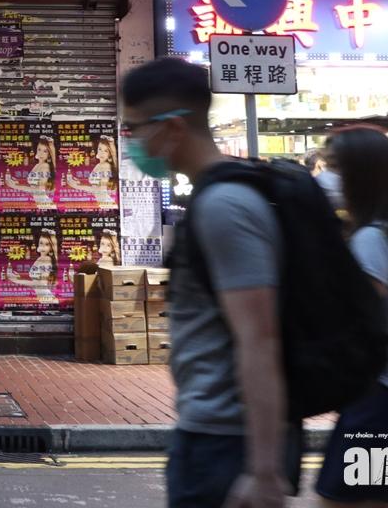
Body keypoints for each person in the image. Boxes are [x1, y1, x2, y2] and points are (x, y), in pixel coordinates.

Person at [121, 58, 293, 508]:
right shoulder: (213, 197)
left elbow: (260, 338)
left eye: (134, 129)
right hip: (211, 433)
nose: (131, 142)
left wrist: (263, 470)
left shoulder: (225, 206)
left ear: (173, 127)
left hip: (225, 443)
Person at [314, 126, 388, 506]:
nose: (325, 177)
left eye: (334, 167)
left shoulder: (371, 240)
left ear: (360, 174)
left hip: (378, 398)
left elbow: (355, 315)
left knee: (336, 500)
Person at [3, 135, 57, 210]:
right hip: (41, 204)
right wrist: (17, 182)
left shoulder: (45, 167)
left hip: (46, 205)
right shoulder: (37, 165)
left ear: (49, 154)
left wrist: (15, 186)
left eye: (45, 151)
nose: (41, 153)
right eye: (39, 149)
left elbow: (38, 190)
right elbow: (32, 185)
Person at [8, 228, 58, 305]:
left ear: (51, 247)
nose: (43, 247)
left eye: (47, 244)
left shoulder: (47, 259)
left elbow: (39, 284)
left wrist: (16, 280)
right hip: (44, 299)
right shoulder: (40, 258)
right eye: (41, 243)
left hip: (48, 299)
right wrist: (19, 276)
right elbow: (35, 278)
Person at [67, 135, 119, 209]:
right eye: (100, 149)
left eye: (106, 151)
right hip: (103, 203)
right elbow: (94, 185)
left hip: (107, 204)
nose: (101, 153)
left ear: (109, 154)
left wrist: (77, 186)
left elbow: (100, 190)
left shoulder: (106, 166)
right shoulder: (99, 165)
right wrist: (79, 181)